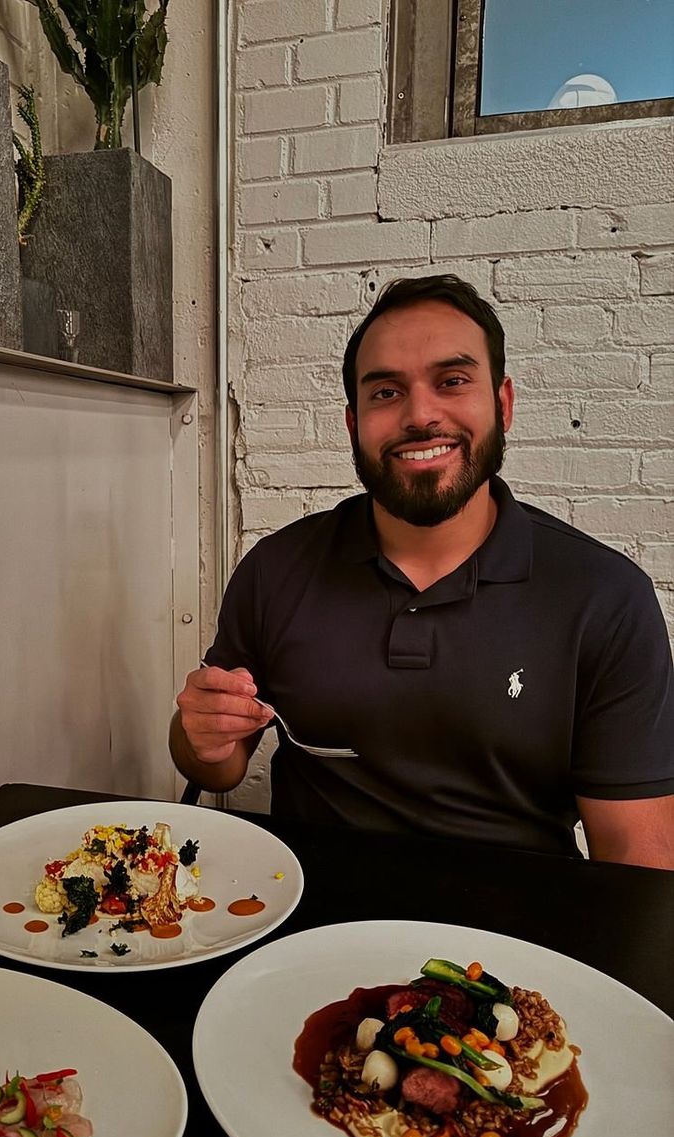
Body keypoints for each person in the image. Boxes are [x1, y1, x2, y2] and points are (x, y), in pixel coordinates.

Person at [170, 274, 674, 868]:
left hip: (513, 941)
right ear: (353, 423)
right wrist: (199, 731)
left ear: (503, 404)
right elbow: (216, 763)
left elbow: (637, 860)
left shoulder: (605, 597)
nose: (420, 414)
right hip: (309, 926)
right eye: (385, 392)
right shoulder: (276, 569)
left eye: (452, 381)